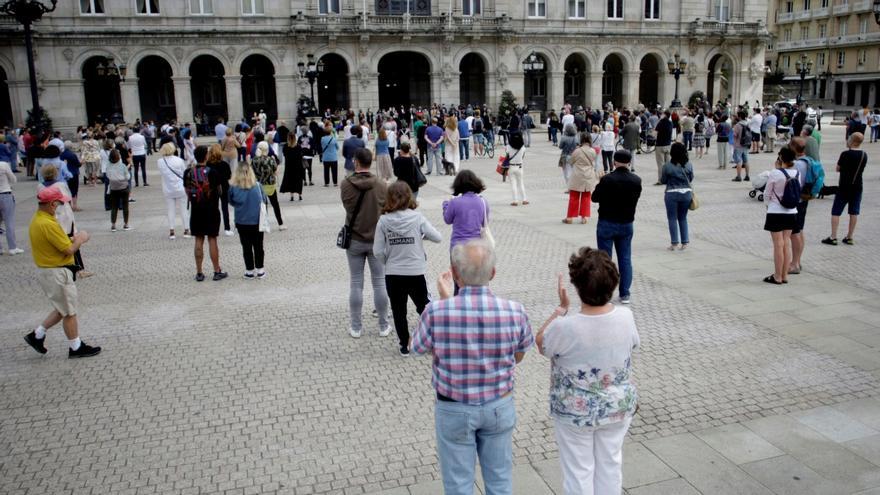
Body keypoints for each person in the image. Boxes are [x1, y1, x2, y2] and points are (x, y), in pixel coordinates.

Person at [410, 239, 534, 495]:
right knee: (500, 481)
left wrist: (445, 301)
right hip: (499, 405)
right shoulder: (515, 311)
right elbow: (518, 355)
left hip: (453, 408)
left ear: (454, 274)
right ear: (493, 273)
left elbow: (417, 347)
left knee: (457, 485)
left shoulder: (436, 312)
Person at [535, 248, 639, 495]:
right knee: (610, 465)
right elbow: (634, 343)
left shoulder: (566, 327)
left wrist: (561, 308)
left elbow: (541, 342)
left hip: (574, 411)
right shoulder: (626, 316)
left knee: (578, 472)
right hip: (617, 407)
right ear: (613, 284)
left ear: (577, 285)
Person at [24, 187, 101, 359]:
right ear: (52, 204)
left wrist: (73, 238)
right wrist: (80, 238)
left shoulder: (38, 219)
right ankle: (75, 347)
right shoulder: (48, 224)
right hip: (57, 272)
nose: (60, 206)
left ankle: (37, 335)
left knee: (61, 308)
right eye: (59, 203)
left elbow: (59, 242)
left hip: (48, 271)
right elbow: (68, 249)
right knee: (69, 312)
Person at [374, 181, 442, 355]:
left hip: (393, 273)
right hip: (415, 271)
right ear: (408, 197)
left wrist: (388, 261)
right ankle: (433, 340)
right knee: (425, 307)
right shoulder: (417, 217)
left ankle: (404, 345)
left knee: (398, 311)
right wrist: (420, 236)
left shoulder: (383, 221)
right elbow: (437, 237)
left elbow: (377, 251)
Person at [341, 147, 391, 339]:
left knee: (355, 283)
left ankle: (356, 327)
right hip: (376, 239)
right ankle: (383, 325)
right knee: (379, 283)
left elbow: (348, 207)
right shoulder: (381, 185)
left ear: (356, 162)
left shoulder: (346, 184)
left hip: (354, 238)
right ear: (371, 161)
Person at [592, 150, 642, 304]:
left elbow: (595, 198)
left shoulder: (607, 179)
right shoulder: (636, 180)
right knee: (625, 259)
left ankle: (606, 293)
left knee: (605, 260)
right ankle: (625, 292)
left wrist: (600, 182)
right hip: (626, 223)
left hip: (607, 222)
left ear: (614, 162)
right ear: (629, 162)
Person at [184, 145, 228, 282]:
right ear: (206, 156)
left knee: (198, 239)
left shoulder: (188, 172)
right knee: (212, 239)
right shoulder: (212, 172)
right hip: (211, 209)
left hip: (196, 210)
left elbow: (186, 190)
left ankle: (199, 272)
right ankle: (216, 270)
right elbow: (220, 191)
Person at [823, 132, 866, 246]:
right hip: (857, 186)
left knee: (836, 211)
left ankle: (833, 237)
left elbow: (838, 168)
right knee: (854, 212)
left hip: (844, 187)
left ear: (851, 140)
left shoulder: (845, 154)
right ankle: (850, 236)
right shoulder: (864, 155)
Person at [763, 146, 799, 285]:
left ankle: (777, 275)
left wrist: (768, 205)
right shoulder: (796, 173)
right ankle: (784, 275)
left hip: (776, 211)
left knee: (778, 244)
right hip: (791, 211)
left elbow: (767, 193)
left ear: (781, 158)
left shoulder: (775, 173)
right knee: (787, 243)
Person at [229, 161, 267, 279]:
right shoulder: (257, 185)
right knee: (258, 246)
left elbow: (230, 201)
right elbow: (264, 200)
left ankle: (249, 270)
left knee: (246, 246)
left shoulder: (233, 187)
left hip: (241, 220)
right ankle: (260, 269)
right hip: (257, 220)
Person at [660, 142, 694, 251]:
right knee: (683, 218)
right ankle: (684, 243)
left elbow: (663, 180)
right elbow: (691, 178)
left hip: (672, 193)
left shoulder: (667, 166)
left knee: (672, 218)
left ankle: (674, 243)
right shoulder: (689, 164)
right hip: (687, 193)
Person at [564, 132, 601, 225]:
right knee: (586, 196)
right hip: (588, 175)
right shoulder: (593, 151)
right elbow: (594, 163)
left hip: (577, 175)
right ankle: (584, 217)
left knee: (574, 196)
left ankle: (570, 217)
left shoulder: (577, 151)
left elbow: (571, 161)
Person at [157, 142, 189, 240]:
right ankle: (186, 230)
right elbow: (184, 173)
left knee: (170, 210)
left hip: (168, 188)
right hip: (180, 188)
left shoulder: (160, 161)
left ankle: (172, 231)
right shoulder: (179, 160)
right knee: (184, 209)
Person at [252, 141, 285, 230]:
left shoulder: (254, 160)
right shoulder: (270, 159)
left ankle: (264, 224)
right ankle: (280, 223)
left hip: (259, 185)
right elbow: (275, 170)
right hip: (269, 184)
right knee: (275, 204)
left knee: (263, 205)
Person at [206, 144, 233, 236]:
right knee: (225, 208)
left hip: (212, 188)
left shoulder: (208, 165)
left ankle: (213, 228)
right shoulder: (224, 164)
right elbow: (229, 176)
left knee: (213, 208)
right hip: (224, 187)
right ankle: (227, 228)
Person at [0, 155, 23, 254]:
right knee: (9, 221)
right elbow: (13, 179)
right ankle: (12, 247)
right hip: (5, 194)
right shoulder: (3, 165)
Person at [105, 149, 132, 232]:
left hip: (114, 188)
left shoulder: (108, 166)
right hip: (123, 187)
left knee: (114, 207)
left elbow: (108, 175)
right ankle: (126, 224)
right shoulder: (122, 166)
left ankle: (113, 225)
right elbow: (128, 177)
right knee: (125, 206)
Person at [505, 130, 527, 206]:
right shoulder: (523, 147)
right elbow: (523, 156)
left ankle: (515, 201)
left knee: (513, 184)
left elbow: (507, 155)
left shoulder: (508, 146)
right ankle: (524, 199)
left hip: (511, 167)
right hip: (520, 166)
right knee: (521, 183)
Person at [280, 133, 304, 201]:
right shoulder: (298, 146)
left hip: (289, 166)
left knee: (290, 181)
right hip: (298, 166)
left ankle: (292, 196)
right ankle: (300, 195)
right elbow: (300, 155)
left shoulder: (286, 146)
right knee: (298, 180)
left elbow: (284, 154)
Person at [653, 111, 673, 185]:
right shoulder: (670, 123)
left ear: (664, 115)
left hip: (660, 145)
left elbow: (654, 134)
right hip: (668, 145)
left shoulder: (660, 123)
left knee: (660, 164)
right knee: (668, 163)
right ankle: (668, 179)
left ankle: (661, 180)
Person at [731, 111, 751, 182]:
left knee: (738, 161)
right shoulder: (748, 124)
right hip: (746, 144)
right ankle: (747, 176)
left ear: (739, 117)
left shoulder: (737, 125)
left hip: (738, 145)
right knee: (746, 160)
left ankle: (739, 176)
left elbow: (735, 135)